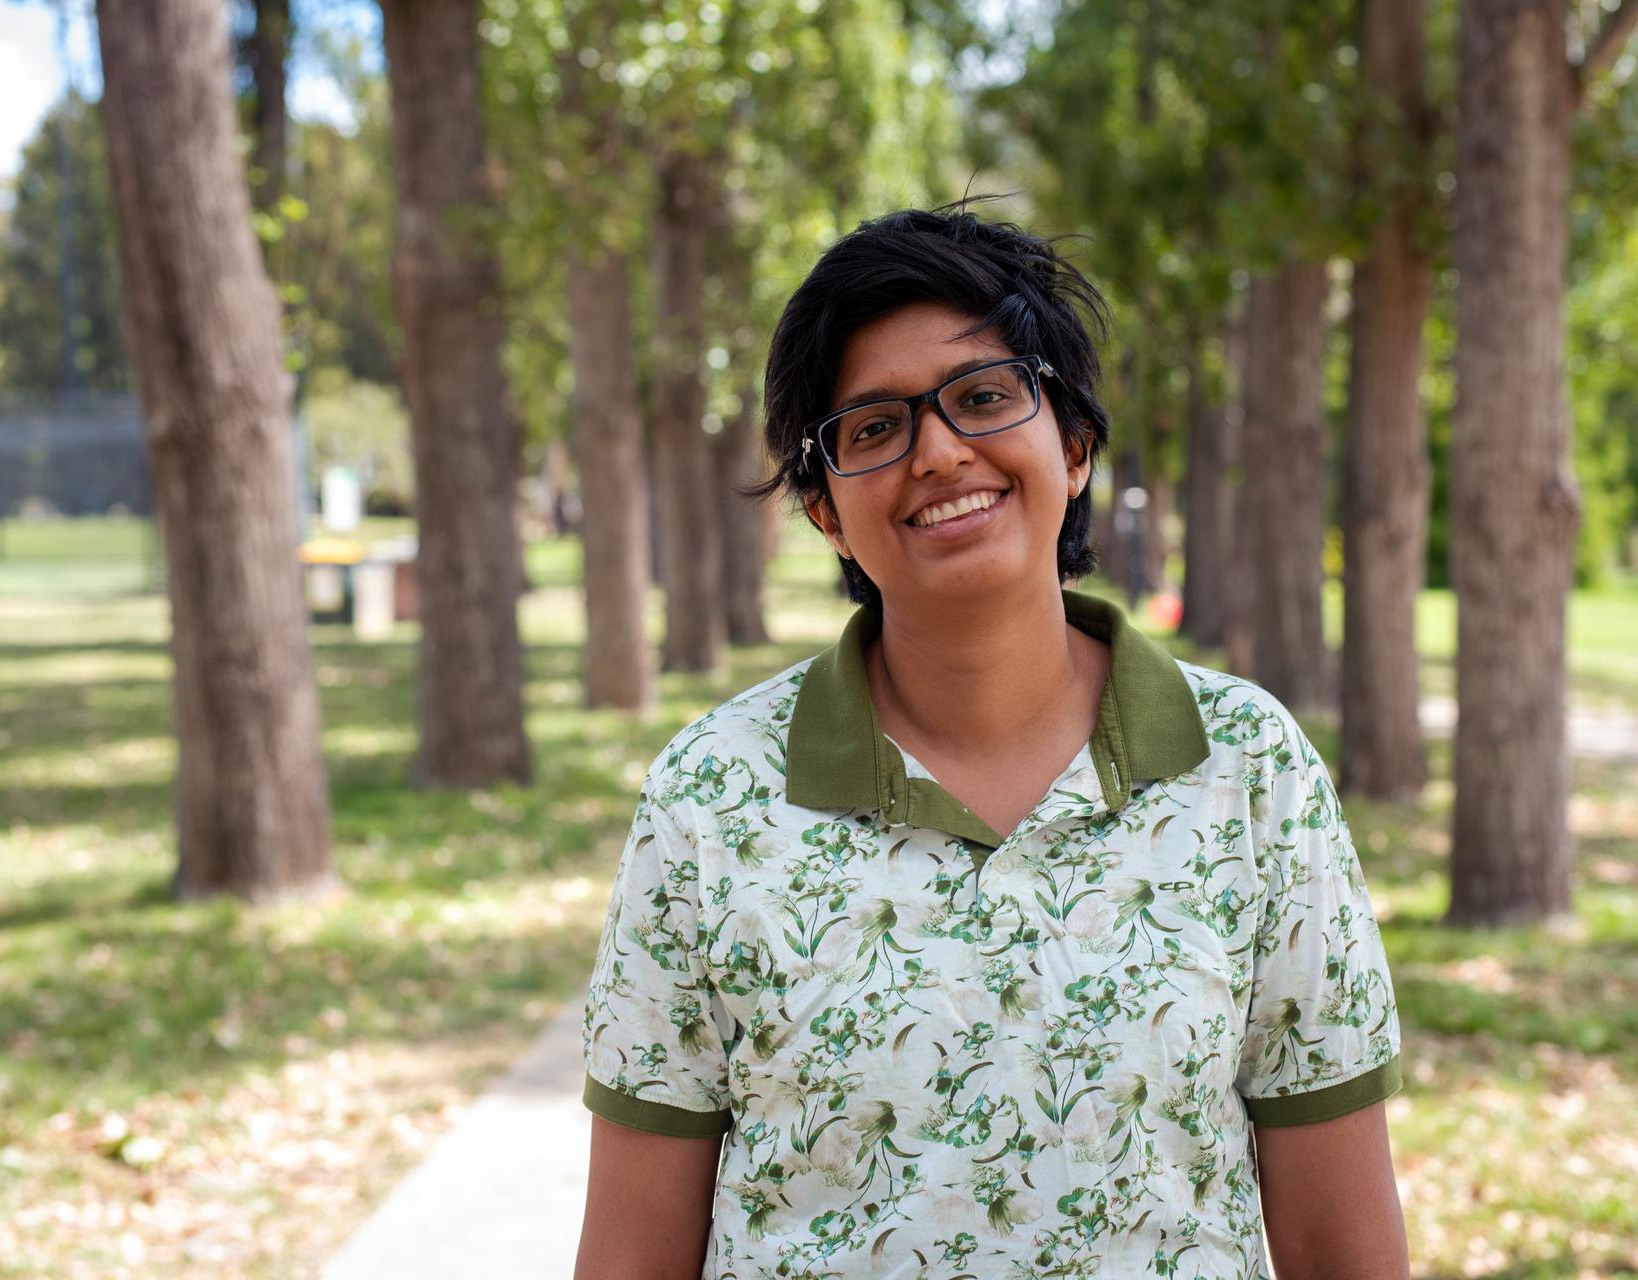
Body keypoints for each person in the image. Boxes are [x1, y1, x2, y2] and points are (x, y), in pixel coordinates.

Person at [572, 204, 1408, 1280]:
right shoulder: (712, 793)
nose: (938, 451)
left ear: (1073, 444)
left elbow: (1343, 1238)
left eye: (982, 396)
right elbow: (633, 1247)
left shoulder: (1246, 764)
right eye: (873, 428)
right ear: (825, 510)